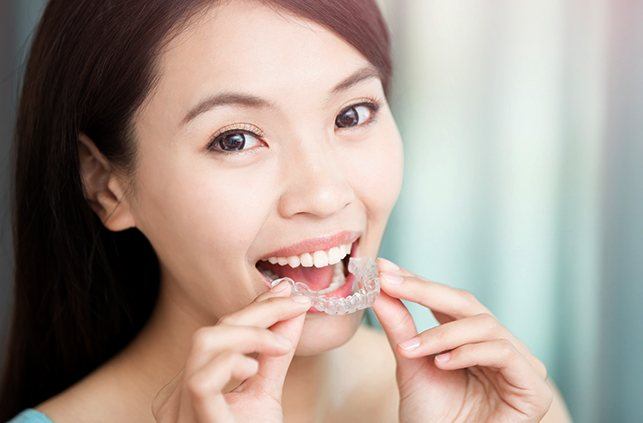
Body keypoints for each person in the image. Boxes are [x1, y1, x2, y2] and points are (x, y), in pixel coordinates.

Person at [0, 0, 571, 421]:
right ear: (107, 187)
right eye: (235, 139)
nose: (325, 195)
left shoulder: (494, 403)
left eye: (352, 115)